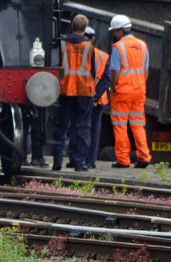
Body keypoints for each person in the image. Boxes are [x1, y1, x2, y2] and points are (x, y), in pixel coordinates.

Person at [52, 13, 97, 172]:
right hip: (84, 91)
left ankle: (57, 160)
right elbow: (93, 72)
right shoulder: (89, 47)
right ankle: (78, 162)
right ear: (85, 29)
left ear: (72, 27)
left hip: (65, 89)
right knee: (82, 127)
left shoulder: (62, 45)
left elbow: (56, 67)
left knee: (62, 125)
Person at [108, 14, 152, 168]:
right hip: (139, 91)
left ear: (120, 31)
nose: (114, 34)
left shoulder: (118, 47)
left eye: (114, 31)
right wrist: (140, 84)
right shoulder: (143, 45)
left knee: (120, 126)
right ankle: (144, 156)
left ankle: (123, 160)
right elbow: (145, 70)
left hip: (122, 92)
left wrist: (112, 88)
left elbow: (115, 71)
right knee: (138, 125)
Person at [84, 26, 111, 169]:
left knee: (80, 127)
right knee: (94, 130)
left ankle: (80, 159)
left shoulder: (75, 53)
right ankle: (90, 161)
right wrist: (96, 94)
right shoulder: (103, 56)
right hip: (97, 99)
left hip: (81, 97)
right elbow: (107, 79)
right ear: (93, 38)